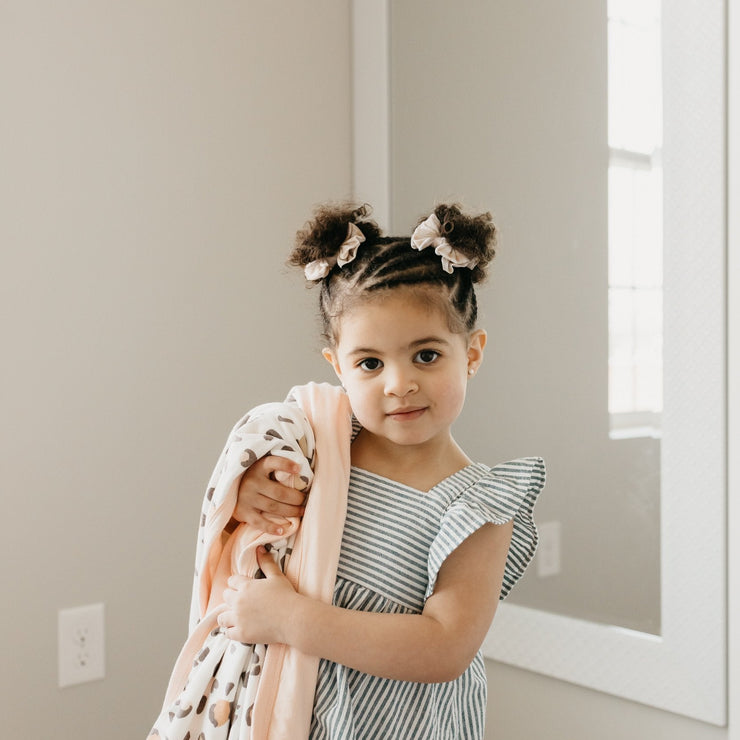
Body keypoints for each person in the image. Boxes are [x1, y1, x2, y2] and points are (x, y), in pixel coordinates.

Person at [217, 202, 545, 739]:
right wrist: (250, 491)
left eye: (426, 355)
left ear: (471, 353)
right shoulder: (316, 449)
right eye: (370, 363)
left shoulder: (478, 506)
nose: (399, 384)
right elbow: (247, 532)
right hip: (303, 719)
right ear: (338, 367)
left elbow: (444, 648)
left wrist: (292, 620)